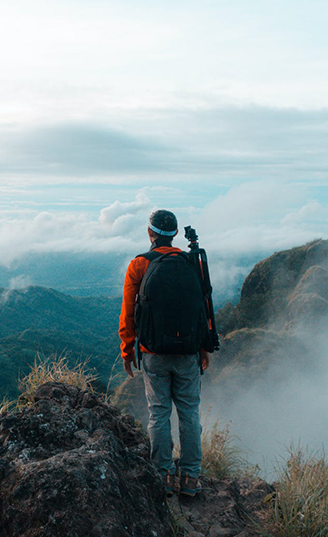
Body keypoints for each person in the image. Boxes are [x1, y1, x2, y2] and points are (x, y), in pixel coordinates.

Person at [120, 209, 209, 497]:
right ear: (174, 235)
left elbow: (128, 311)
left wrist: (127, 349)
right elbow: (204, 307)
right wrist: (205, 346)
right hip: (188, 352)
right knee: (189, 414)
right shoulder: (191, 262)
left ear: (150, 233)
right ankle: (191, 479)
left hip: (153, 352)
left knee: (158, 413)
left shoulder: (139, 265)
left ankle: (163, 474)